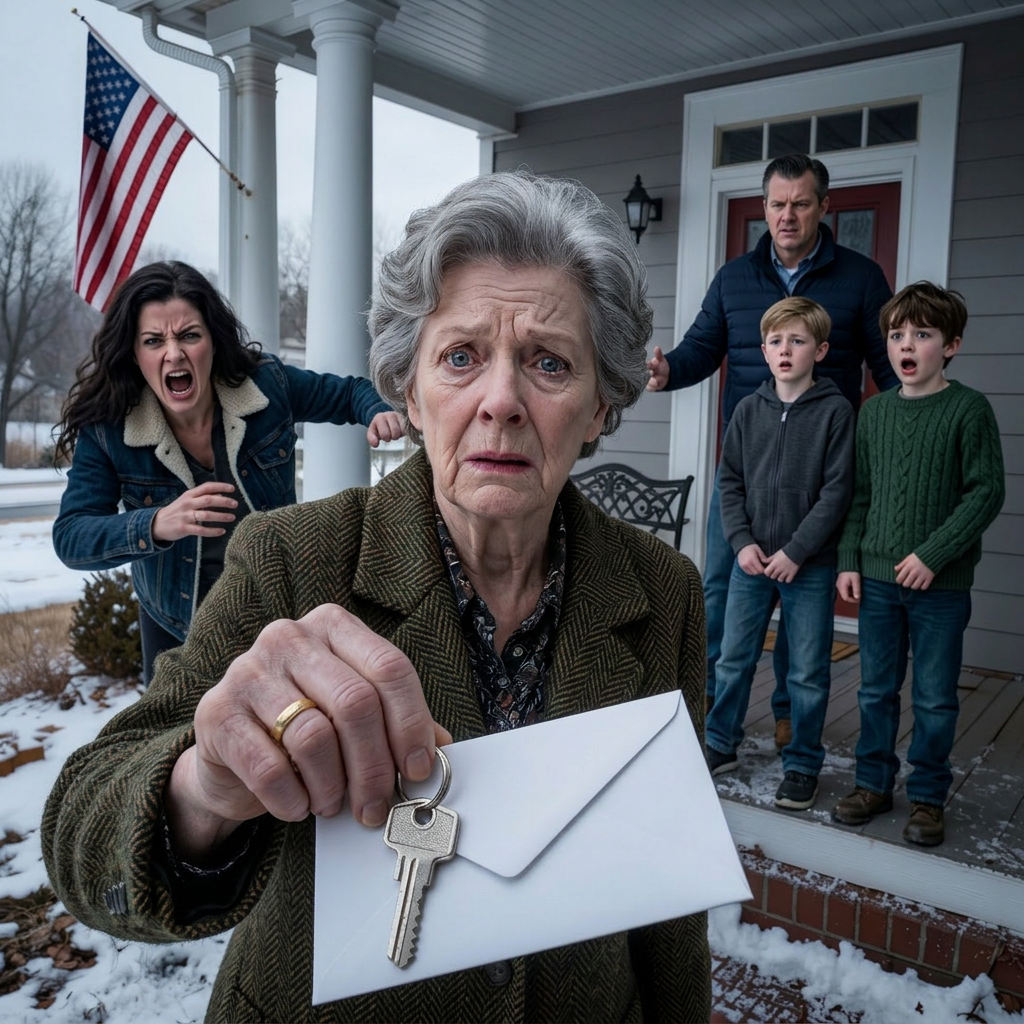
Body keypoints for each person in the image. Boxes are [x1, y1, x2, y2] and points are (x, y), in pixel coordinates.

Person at [42, 172, 711, 1023]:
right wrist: (202, 788)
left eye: (548, 362)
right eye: (460, 356)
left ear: (599, 406)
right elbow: (81, 831)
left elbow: (666, 889)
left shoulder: (664, 594)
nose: (500, 401)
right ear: (410, 390)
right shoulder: (291, 560)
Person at [647, 153, 897, 750]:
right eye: (778, 204)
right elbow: (703, 347)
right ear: (764, 209)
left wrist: (906, 430)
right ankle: (708, 716)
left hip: (818, 478)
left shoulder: (859, 278)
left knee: (802, 605)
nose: (788, 215)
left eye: (801, 203)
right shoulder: (735, 277)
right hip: (746, 469)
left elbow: (889, 368)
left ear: (823, 207)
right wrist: (666, 372)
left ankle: (789, 713)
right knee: (721, 592)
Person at [51, 262, 402, 685]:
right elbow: (71, 536)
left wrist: (377, 410)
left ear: (213, 342)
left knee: (291, 733)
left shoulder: (266, 385)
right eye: (153, 341)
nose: (174, 353)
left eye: (189, 335)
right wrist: (158, 523)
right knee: (182, 746)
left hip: (274, 610)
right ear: (134, 353)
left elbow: (347, 393)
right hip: (176, 624)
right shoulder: (109, 429)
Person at [831, 282, 1005, 847]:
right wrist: (850, 559)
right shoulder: (874, 412)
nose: (907, 344)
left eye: (922, 334)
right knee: (876, 689)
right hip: (878, 582)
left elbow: (984, 493)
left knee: (933, 695)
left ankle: (928, 796)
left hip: (940, 586)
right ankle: (873, 783)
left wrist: (932, 555)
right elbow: (860, 495)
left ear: (950, 345)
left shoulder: (968, 409)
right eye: (897, 334)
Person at [704, 297, 854, 812]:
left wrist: (796, 551)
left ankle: (802, 764)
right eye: (775, 341)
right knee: (733, 658)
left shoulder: (835, 412)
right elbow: (730, 483)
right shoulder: (749, 410)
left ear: (821, 349)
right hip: (751, 565)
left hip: (807, 566)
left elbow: (837, 493)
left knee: (808, 670)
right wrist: (742, 543)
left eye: (797, 340)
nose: (785, 350)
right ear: (764, 350)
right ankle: (721, 743)